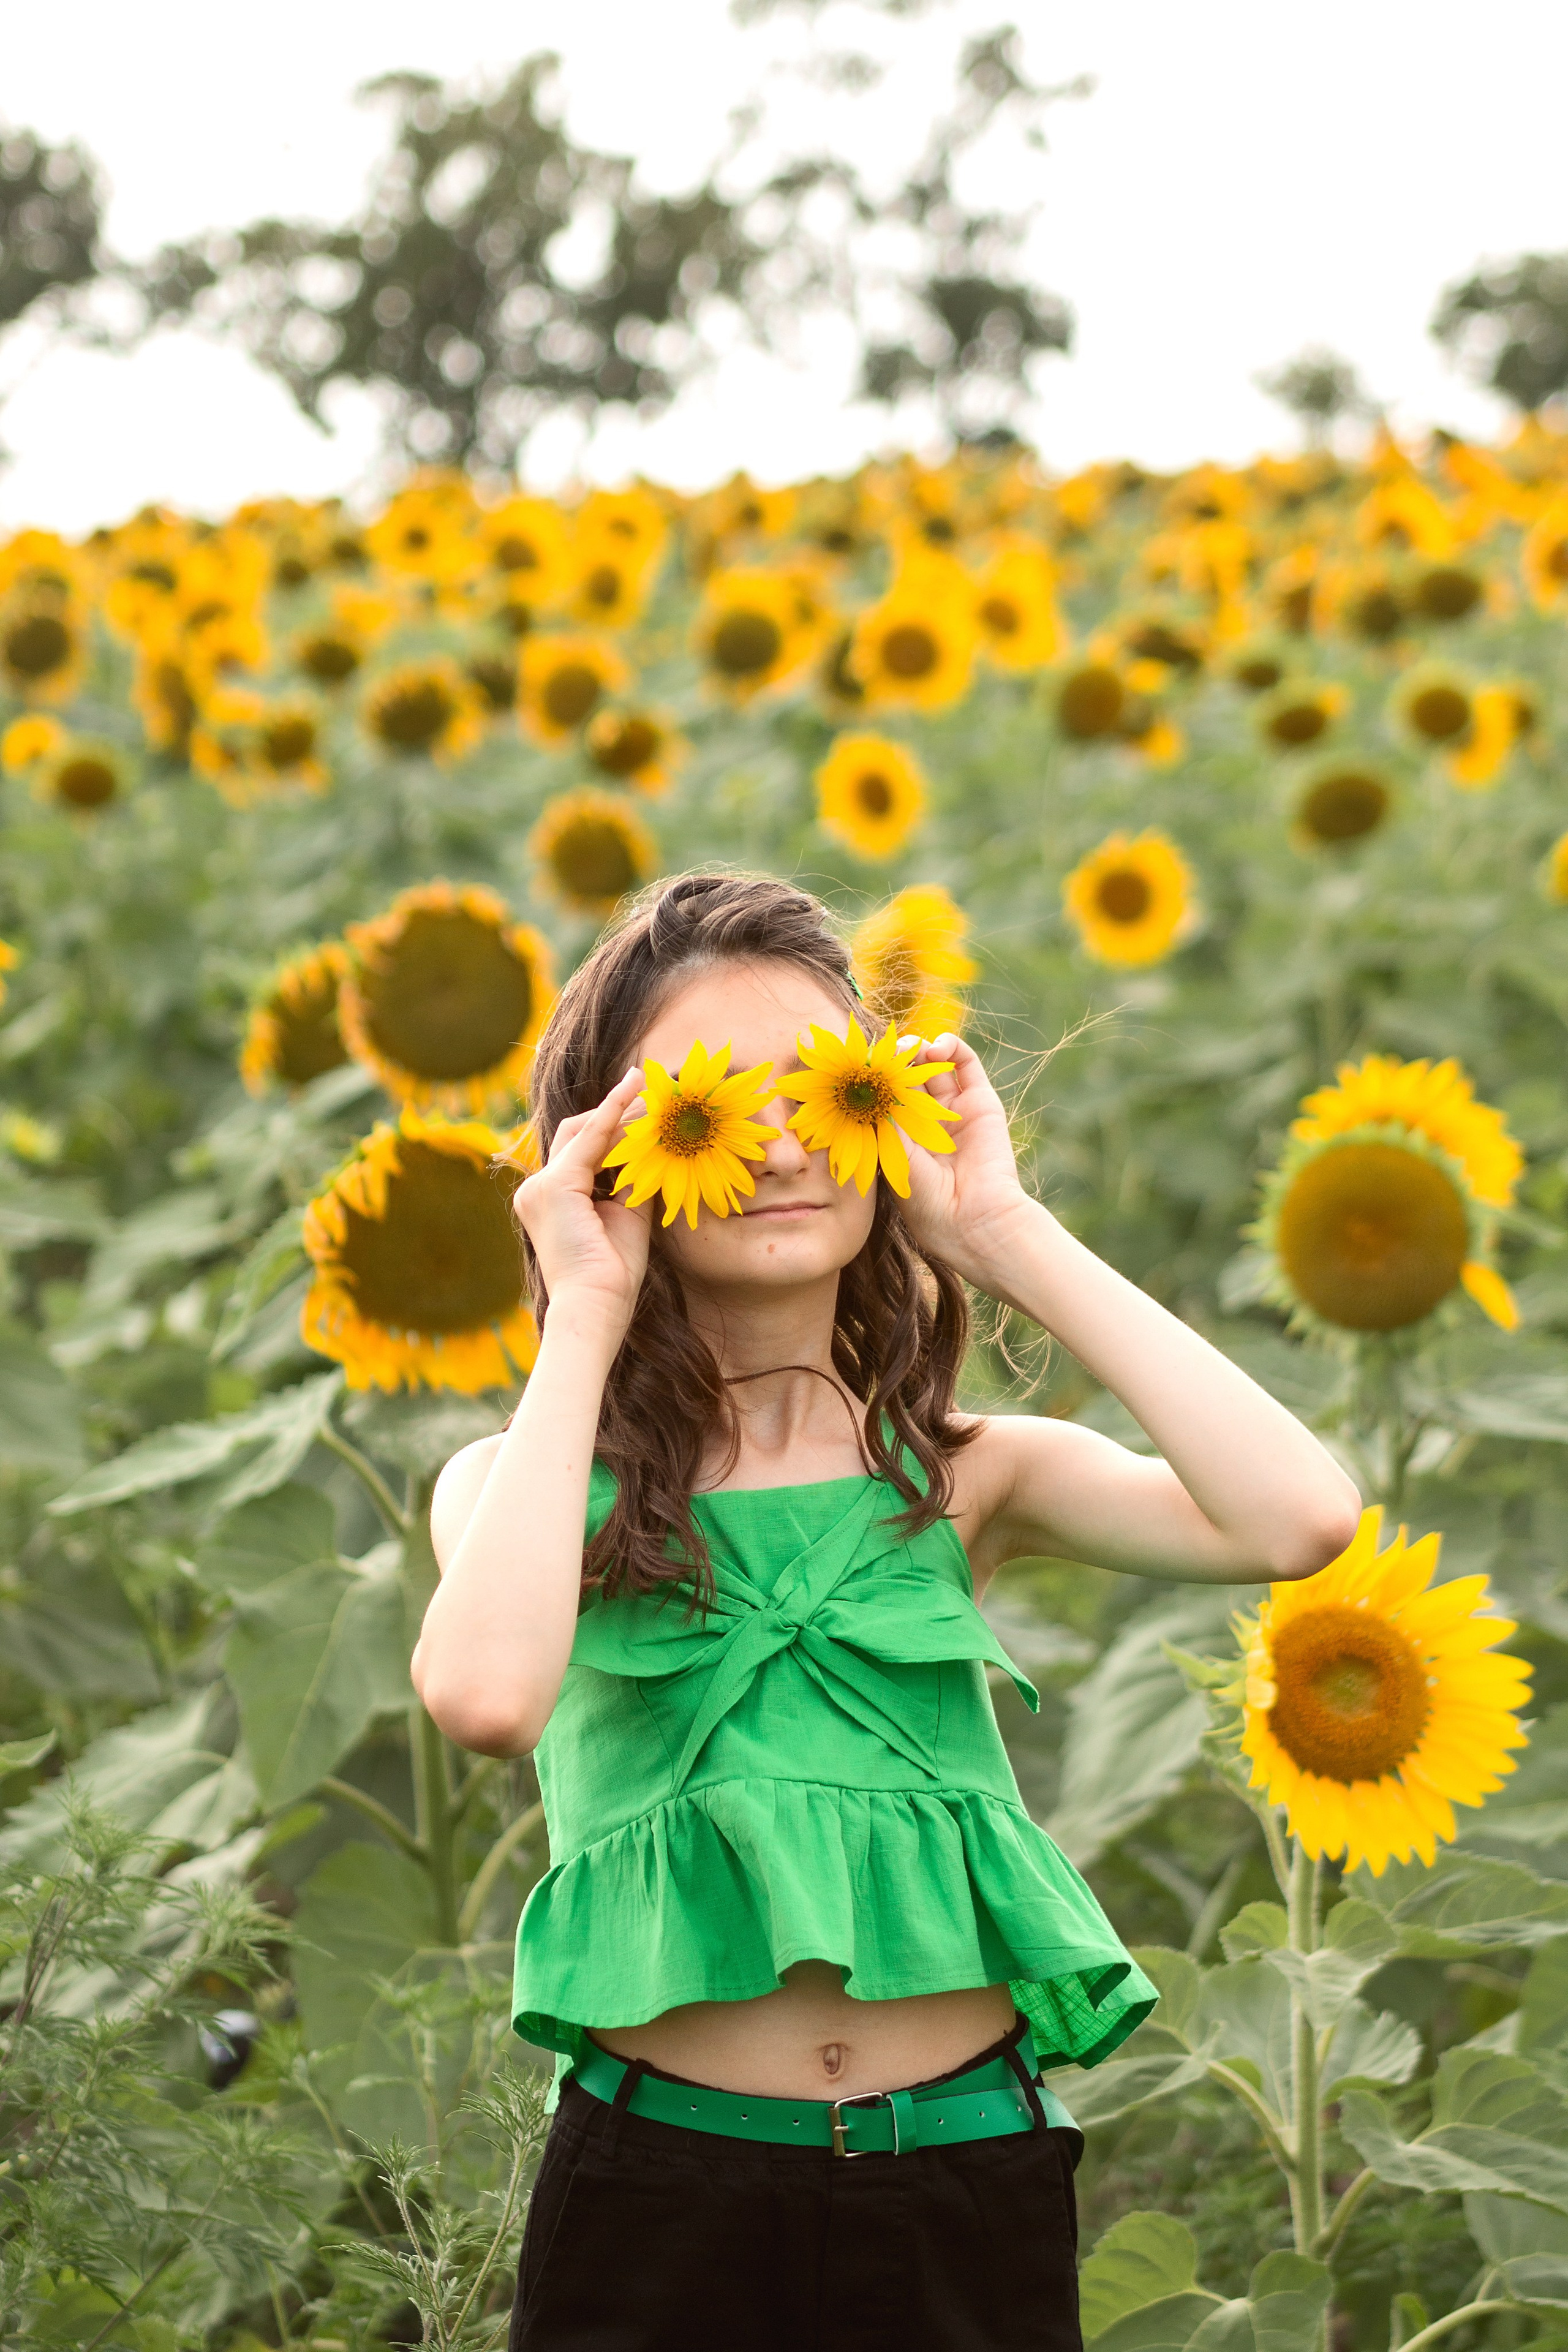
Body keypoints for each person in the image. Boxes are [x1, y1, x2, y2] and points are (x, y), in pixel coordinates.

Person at [413, 872, 1361, 2352]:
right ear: (608, 1152)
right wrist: (583, 1310)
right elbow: (483, 1699)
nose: (787, 1143)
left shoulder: (963, 1478)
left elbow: (1295, 1517)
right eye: (712, 1106)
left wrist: (999, 1228)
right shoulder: (527, 1488)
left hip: (963, 2175)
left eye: (825, 1092)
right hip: (659, 2190)